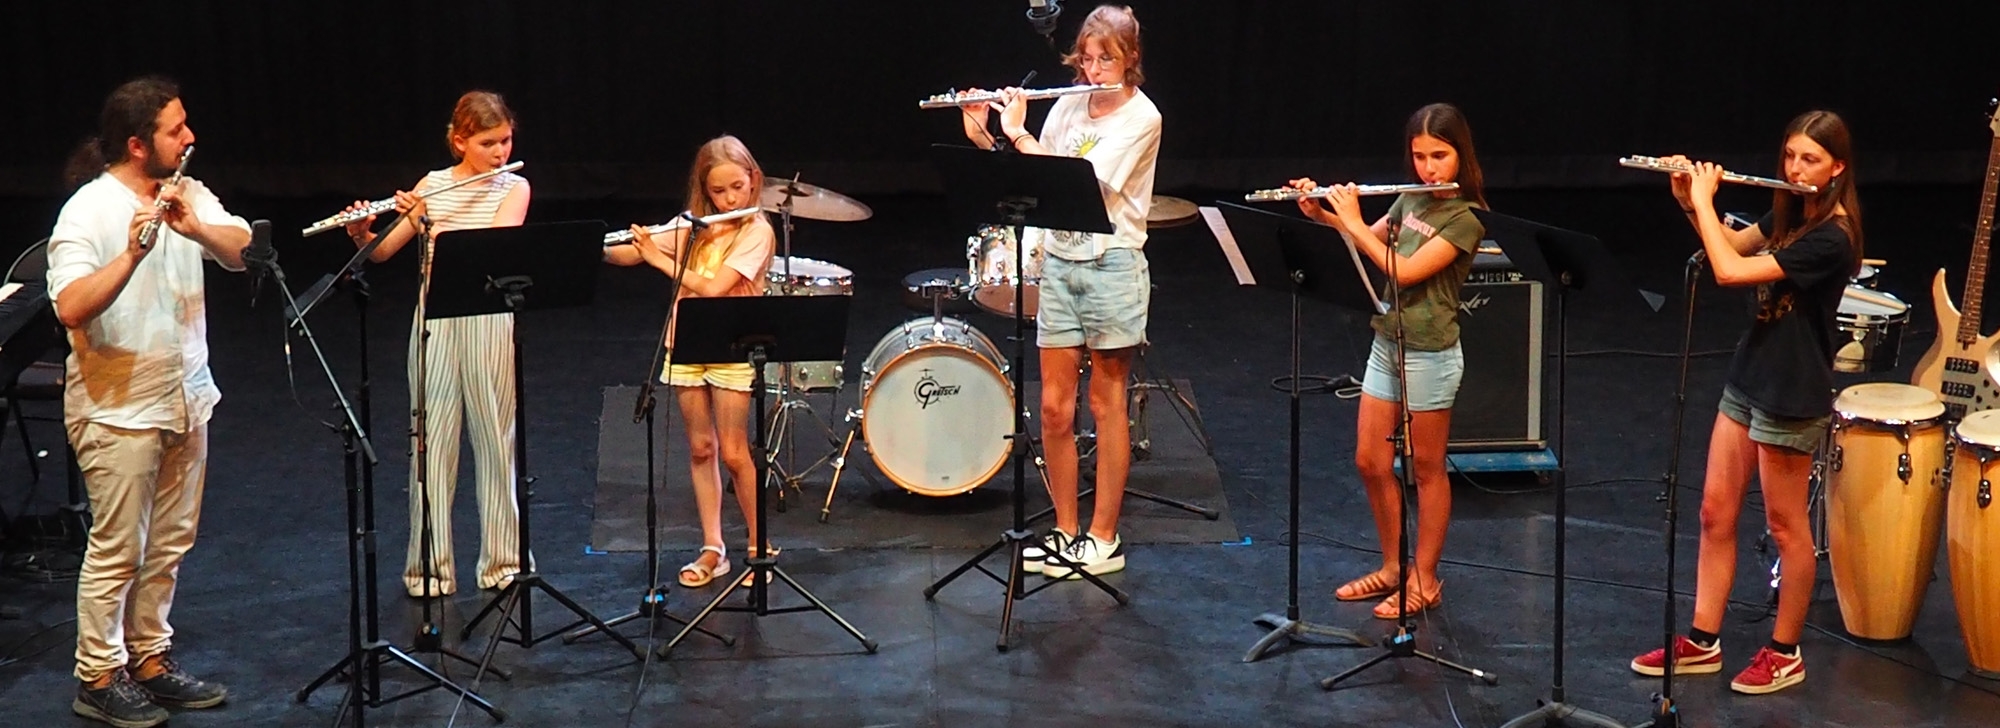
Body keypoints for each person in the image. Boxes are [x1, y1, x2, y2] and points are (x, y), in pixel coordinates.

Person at [1629, 111, 1861, 695]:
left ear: (1837, 167)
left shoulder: (1833, 236)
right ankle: (1703, 641)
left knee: (1785, 527)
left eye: (1809, 160)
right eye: (1789, 156)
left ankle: (1785, 651)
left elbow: (1730, 272)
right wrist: (1690, 202)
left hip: (1791, 390)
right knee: (1714, 512)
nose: (1794, 169)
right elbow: (1732, 245)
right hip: (1749, 374)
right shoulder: (1789, 210)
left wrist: (1706, 200)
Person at [48, 75, 246, 728]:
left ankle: (150, 658)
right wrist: (133, 255)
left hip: (185, 400)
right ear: (138, 144)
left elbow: (246, 250)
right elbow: (70, 305)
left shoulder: (187, 193)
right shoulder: (88, 210)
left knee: (168, 544)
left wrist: (197, 230)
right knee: (118, 549)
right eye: (175, 129)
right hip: (117, 411)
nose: (189, 138)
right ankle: (98, 674)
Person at [959, 4, 1161, 579]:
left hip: (1112, 265)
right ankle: (1066, 531)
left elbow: (1076, 180)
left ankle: (1103, 537)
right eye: (1088, 58)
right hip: (1061, 267)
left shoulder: (1142, 118)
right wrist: (983, 127)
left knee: (1105, 404)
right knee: (1052, 408)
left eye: (1107, 59)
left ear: (1130, 59)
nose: (1094, 70)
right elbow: (1026, 175)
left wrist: (1019, 131)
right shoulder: (1070, 103)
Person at [1290, 103, 1488, 619]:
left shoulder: (1465, 219)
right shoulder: (1412, 199)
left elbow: (1401, 270)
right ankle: (1393, 566)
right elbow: (1366, 245)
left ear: (1461, 156)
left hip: (1432, 352)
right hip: (1389, 341)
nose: (1428, 168)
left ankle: (1425, 577)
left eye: (1439, 156)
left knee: (1425, 468)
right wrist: (1325, 216)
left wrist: (1352, 220)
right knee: (1370, 461)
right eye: (1420, 156)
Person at [343, 91, 532, 597]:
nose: (499, 151)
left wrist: (430, 222)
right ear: (459, 141)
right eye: (488, 142)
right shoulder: (433, 185)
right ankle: (428, 567)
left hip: (488, 316)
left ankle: (503, 562)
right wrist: (363, 234)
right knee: (430, 442)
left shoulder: (514, 188)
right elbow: (384, 253)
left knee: (495, 438)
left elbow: (490, 249)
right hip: (435, 320)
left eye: (505, 140)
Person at [605, 135, 777, 588]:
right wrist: (617, 245)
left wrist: (657, 258)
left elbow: (714, 287)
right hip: (687, 347)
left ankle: (760, 548)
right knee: (702, 450)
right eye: (719, 192)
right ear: (705, 190)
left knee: (736, 453)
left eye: (737, 187)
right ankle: (713, 547)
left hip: (733, 345)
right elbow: (626, 253)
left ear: (753, 180)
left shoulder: (757, 230)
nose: (730, 199)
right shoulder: (695, 224)